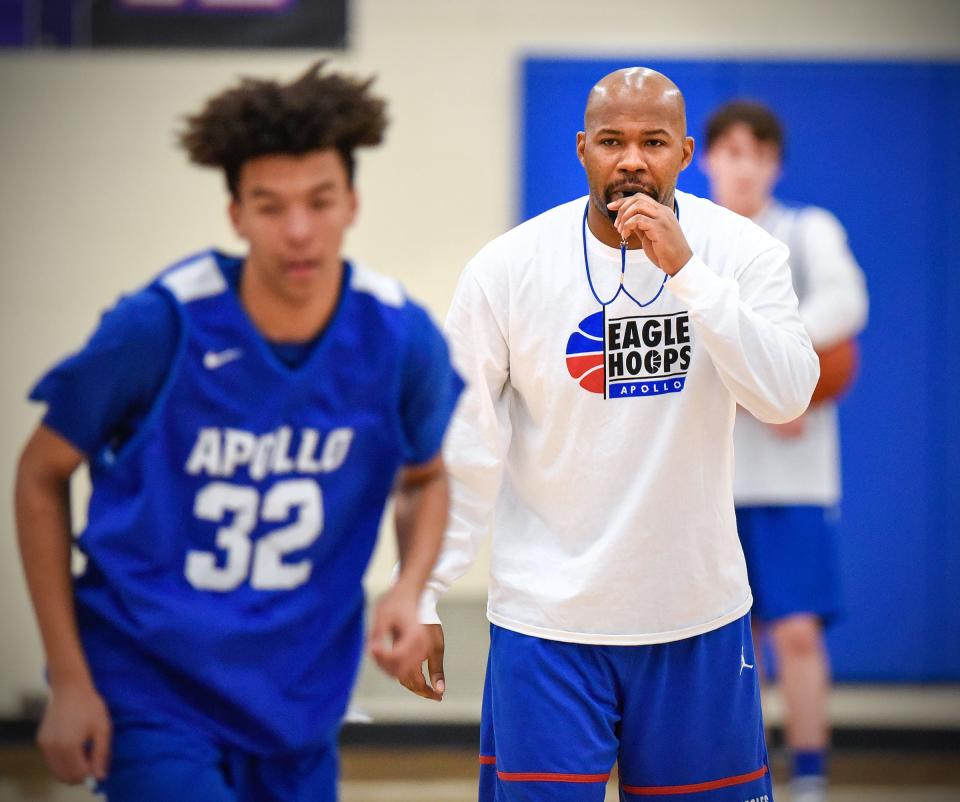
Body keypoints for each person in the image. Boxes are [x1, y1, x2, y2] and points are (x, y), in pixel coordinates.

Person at [14, 62, 463, 802]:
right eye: (269, 204)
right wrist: (67, 677)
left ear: (351, 203)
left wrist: (408, 588)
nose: (297, 230)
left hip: (299, 698)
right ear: (235, 215)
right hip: (151, 684)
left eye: (319, 201)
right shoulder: (159, 326)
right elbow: (40, 471)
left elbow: (424, 477)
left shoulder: (401, 339)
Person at [400, 67, 819, 801]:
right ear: (581, 150)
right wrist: (426, 590)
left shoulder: (742, 253)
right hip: (548, 625)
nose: (632, 159)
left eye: (653, 141)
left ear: (685, 153)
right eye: (612, 141)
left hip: (696, 619)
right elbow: (461, 447)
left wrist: (687, 272)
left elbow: (786, 395)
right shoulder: (507, 269)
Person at [702, 99, 869, 802]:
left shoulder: (806, 232)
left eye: (760, 154)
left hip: (794, 479)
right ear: (705, 159)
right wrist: (746, 377)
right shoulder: (686, 237)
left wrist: (774, 366)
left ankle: (811, 777)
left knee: (796, 631)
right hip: (708, 479)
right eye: (733, 153)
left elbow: (849, 302)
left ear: (775, 164)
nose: (746, 167)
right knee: (727, 645)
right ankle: (732, 772)